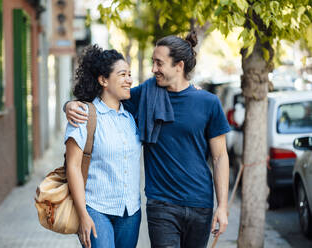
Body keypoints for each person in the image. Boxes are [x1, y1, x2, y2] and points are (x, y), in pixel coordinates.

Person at [66, 30, 230, 248]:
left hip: (200, 203)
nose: (153, 69)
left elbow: (220, 157)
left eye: (159, 63)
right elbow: (108, 98)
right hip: (161, 204)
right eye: (153, 62)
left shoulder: (208, 102)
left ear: (179, 66)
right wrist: (69, 105)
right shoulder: (145, 95)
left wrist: (222, 207)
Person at [65, 44, 142, 248]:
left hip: (130, 212)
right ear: (103, 80)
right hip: (95, 208)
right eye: (123, 74)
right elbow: (72, 166)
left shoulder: (131, 116)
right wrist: (82, 215)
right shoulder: (84, 115)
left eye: (130, 74)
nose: (129, 80)